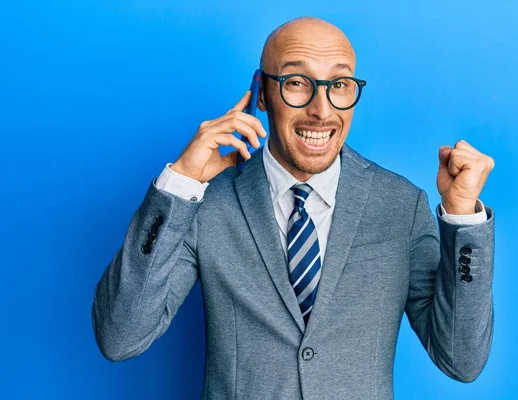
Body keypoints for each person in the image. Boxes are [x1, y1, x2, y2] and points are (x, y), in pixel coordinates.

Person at [92, 16, 496, 399]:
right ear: (262, 93)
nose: (322, 110)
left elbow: (460, 360)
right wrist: (179, 183)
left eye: (339, 84)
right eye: (297, 82)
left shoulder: (401, 205)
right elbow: (120, 336)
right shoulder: (206, 201)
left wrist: (462, 218)